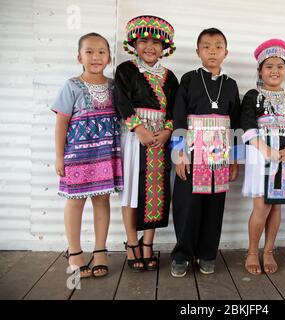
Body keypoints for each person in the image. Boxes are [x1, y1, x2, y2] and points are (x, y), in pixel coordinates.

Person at [170, 28, 240, 277]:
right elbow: (178, 116)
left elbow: (237, 123)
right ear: (198, 51)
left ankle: (208, 253)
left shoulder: (230, 85)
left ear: (226, 52)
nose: (212, 51)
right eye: (207, 46)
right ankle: (182, 254)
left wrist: (236, 159)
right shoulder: (188, 79)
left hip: (220, 153)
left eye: (218, 46)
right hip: (191, 151)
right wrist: (179, 153)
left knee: (214, 205)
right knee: (187, 204)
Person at [52, 32, 123, 278]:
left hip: (106, 155)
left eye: (102, 52)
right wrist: (59, 157)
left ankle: (100, 250)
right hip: (77, 155)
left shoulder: (115, 86)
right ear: (79, 57)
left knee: (102, 200)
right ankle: (74, 252)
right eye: (89, 52)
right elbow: (62, 123)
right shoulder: (72, 85)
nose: (96, 56)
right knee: (75, 201)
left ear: (109, 57)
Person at [114, 15, 179, 271]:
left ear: (164, 48)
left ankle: (148, 242)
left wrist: (167, 131)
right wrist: (138, 128)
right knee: (132, 190)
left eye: (155, 42)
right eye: (143, 41)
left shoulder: (170, 77)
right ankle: (131, 242)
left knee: (157, 191)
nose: (149, 46)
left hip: (160, 139)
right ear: (134, 44)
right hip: (135, 137)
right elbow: (121, 101)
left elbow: (176, 108)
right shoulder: (126, 70)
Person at [241, 39, 285, 275]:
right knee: (261, 205)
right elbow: (246, 124)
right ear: (260, 69)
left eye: (280, 66)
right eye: (269, 66)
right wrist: (264, 149)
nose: (274, 71)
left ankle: (268, 250)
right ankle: (251, 251)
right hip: (262, 156)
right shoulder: (252, 95)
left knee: (276, 207)